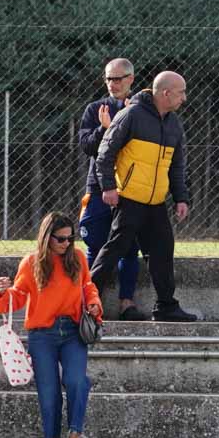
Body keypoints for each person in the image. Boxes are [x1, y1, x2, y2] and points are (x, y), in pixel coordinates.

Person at [88, 70, 197, 322]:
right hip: (128, 198)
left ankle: (166, 307)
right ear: (165, 93)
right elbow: (106, 152)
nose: (184, 98)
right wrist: (108, 187)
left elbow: (177, 165)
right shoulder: (132, 115)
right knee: (115, 248)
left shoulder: (174, 124)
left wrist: (181, 198)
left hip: (156, 202)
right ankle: (86, 300)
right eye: (181, 93)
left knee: (162, 250)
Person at [0, 213, 102, 438]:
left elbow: (88, 286)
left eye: (70, 238)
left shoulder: (76, 259)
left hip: (73, 330)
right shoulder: (31, 262)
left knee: (77, 381)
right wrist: (3, 291)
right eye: (61, 239)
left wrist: (95, 303)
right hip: (42, 333)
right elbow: (18, 296)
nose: (67, 243)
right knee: (48, 391)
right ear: (47, 238)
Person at [77, 60, 145, 320]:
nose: (113, 84)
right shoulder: (95, 109)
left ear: (131, 78)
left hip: (132, 189)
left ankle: (126, 303)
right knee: (94, 244)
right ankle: (93, 303)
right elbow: (86, 145)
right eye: (109, 79)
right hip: (99, 188)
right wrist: (104, 129)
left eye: (119, 78)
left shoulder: (141, 110)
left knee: (129, 247)